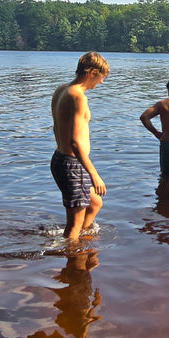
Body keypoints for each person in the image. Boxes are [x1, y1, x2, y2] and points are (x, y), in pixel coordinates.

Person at [51, 51, 109, 240]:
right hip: (73, 163)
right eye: (101, 77)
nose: (101, 82)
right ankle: (73, 263)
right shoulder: (78, 97)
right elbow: (75, 142)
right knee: (74, 225)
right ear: (92, 72)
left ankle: (82, 242)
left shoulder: (61, 89)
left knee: (95, 204)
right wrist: (94, 174)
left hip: (60, 159)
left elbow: (55, 128)